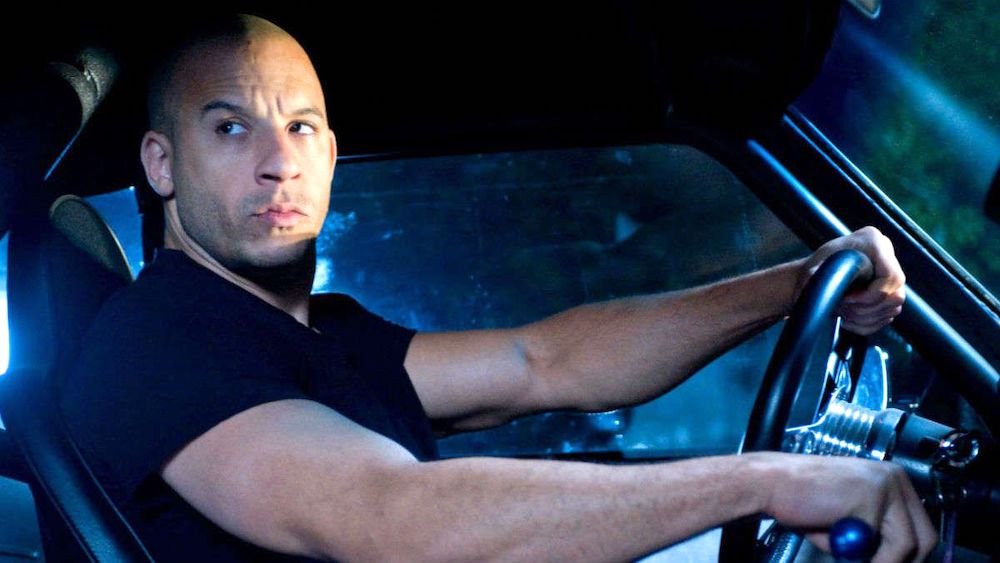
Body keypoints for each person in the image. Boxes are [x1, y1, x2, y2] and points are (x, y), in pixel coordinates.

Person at [59, 14, 936, 563]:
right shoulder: (153, 343)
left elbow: (546, 361)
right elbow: (389, 516)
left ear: (329, 156)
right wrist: (769, 482)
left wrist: (798, 282)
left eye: (300, 126)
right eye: (230, 128)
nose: (278, 160)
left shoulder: (323, 331)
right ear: (161, 165)